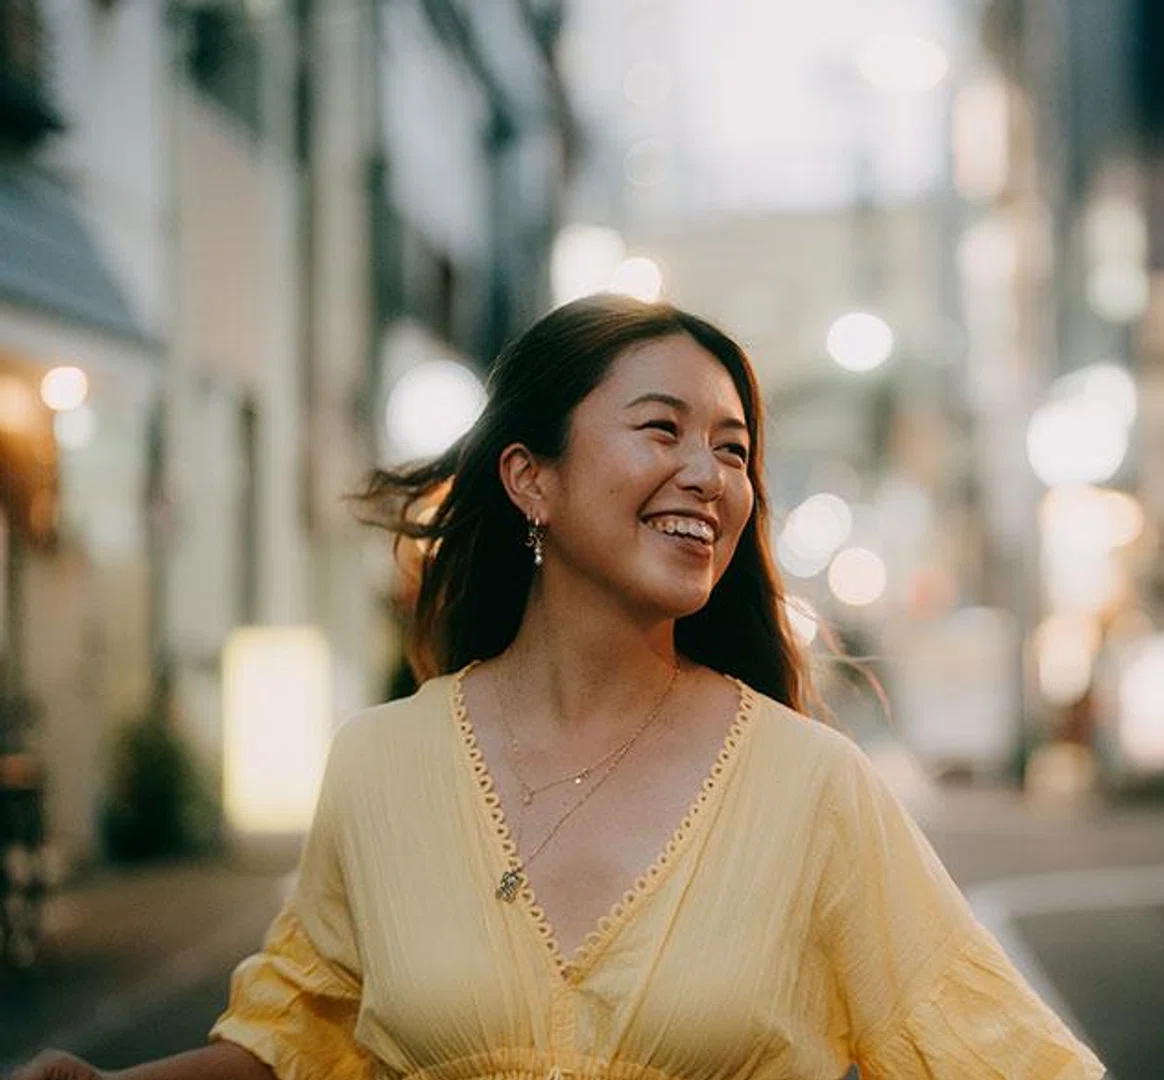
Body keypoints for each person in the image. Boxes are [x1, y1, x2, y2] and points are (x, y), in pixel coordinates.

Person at [15, 296, 1106, 1080]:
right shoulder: (382, 766)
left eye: (734, 450)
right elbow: (302, 1034)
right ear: (531, 478)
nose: (710, 476)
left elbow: (1000, 1057)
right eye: (662, 428)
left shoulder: (813, 787)